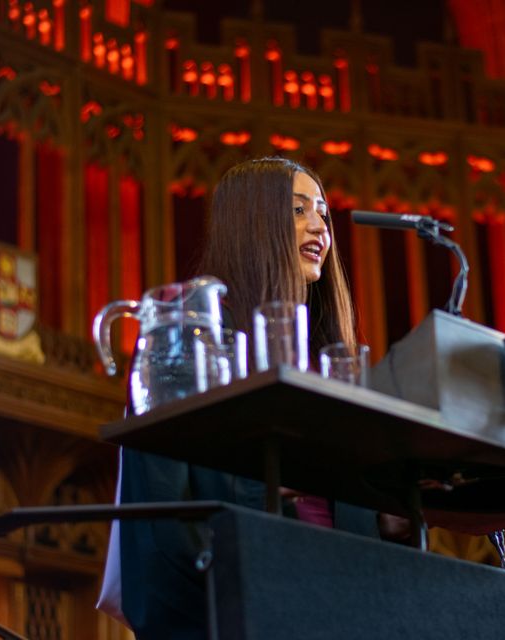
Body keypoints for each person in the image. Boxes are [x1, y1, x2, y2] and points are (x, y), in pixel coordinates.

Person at [116, 157, 384, 639]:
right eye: (298, 209)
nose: (319, 225)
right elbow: (162, 521)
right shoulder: (187, 345)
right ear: (253, 223)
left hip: (341, 612)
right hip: (240, 614)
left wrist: (387, 521)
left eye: (323, 212)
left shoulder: (332, 367)